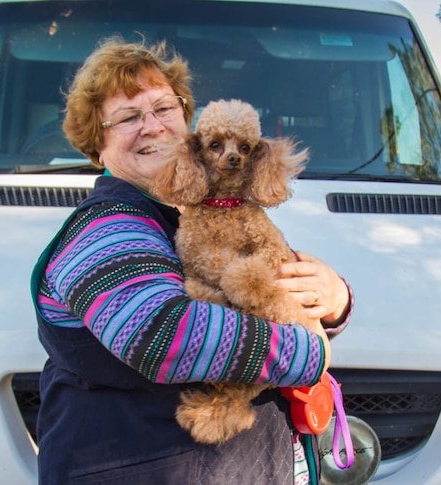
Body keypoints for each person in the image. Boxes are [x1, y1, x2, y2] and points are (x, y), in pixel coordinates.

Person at [31, 37, 353, 485]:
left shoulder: (189, 214)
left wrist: (332, 299)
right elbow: (164, 335)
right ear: (97, 145)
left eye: (164, 108)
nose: (152, 126)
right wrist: (311, 351)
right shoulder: (107, 227)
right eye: (127, 117)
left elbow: (262, 287)